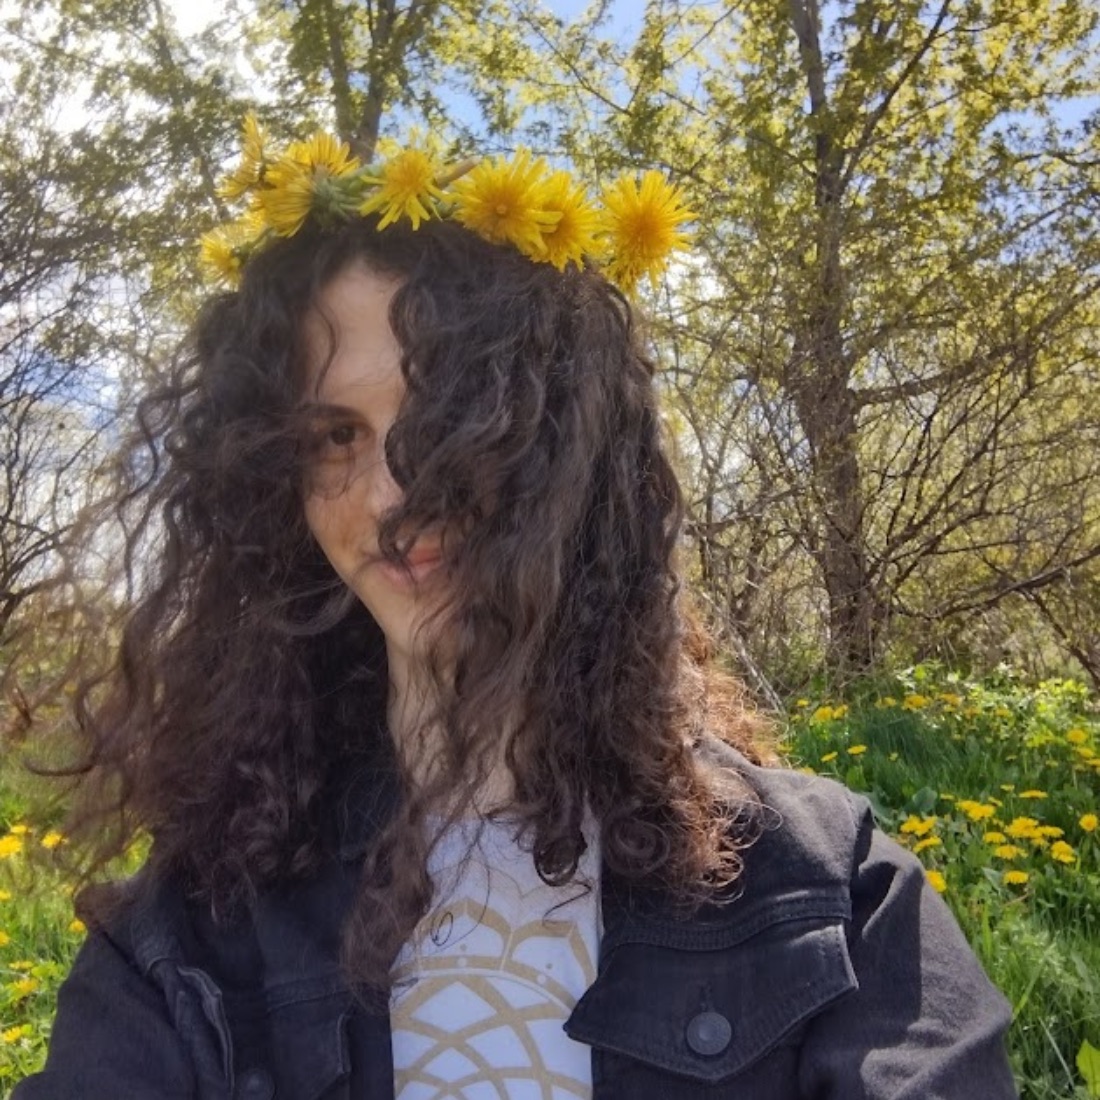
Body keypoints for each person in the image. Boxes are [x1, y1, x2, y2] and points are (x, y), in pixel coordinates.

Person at [14, 123, 1018, 1099]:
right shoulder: (196, 927)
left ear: (559, 445)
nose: (388, 498)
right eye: (331, 434)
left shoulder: (823, 884)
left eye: (448, 417)